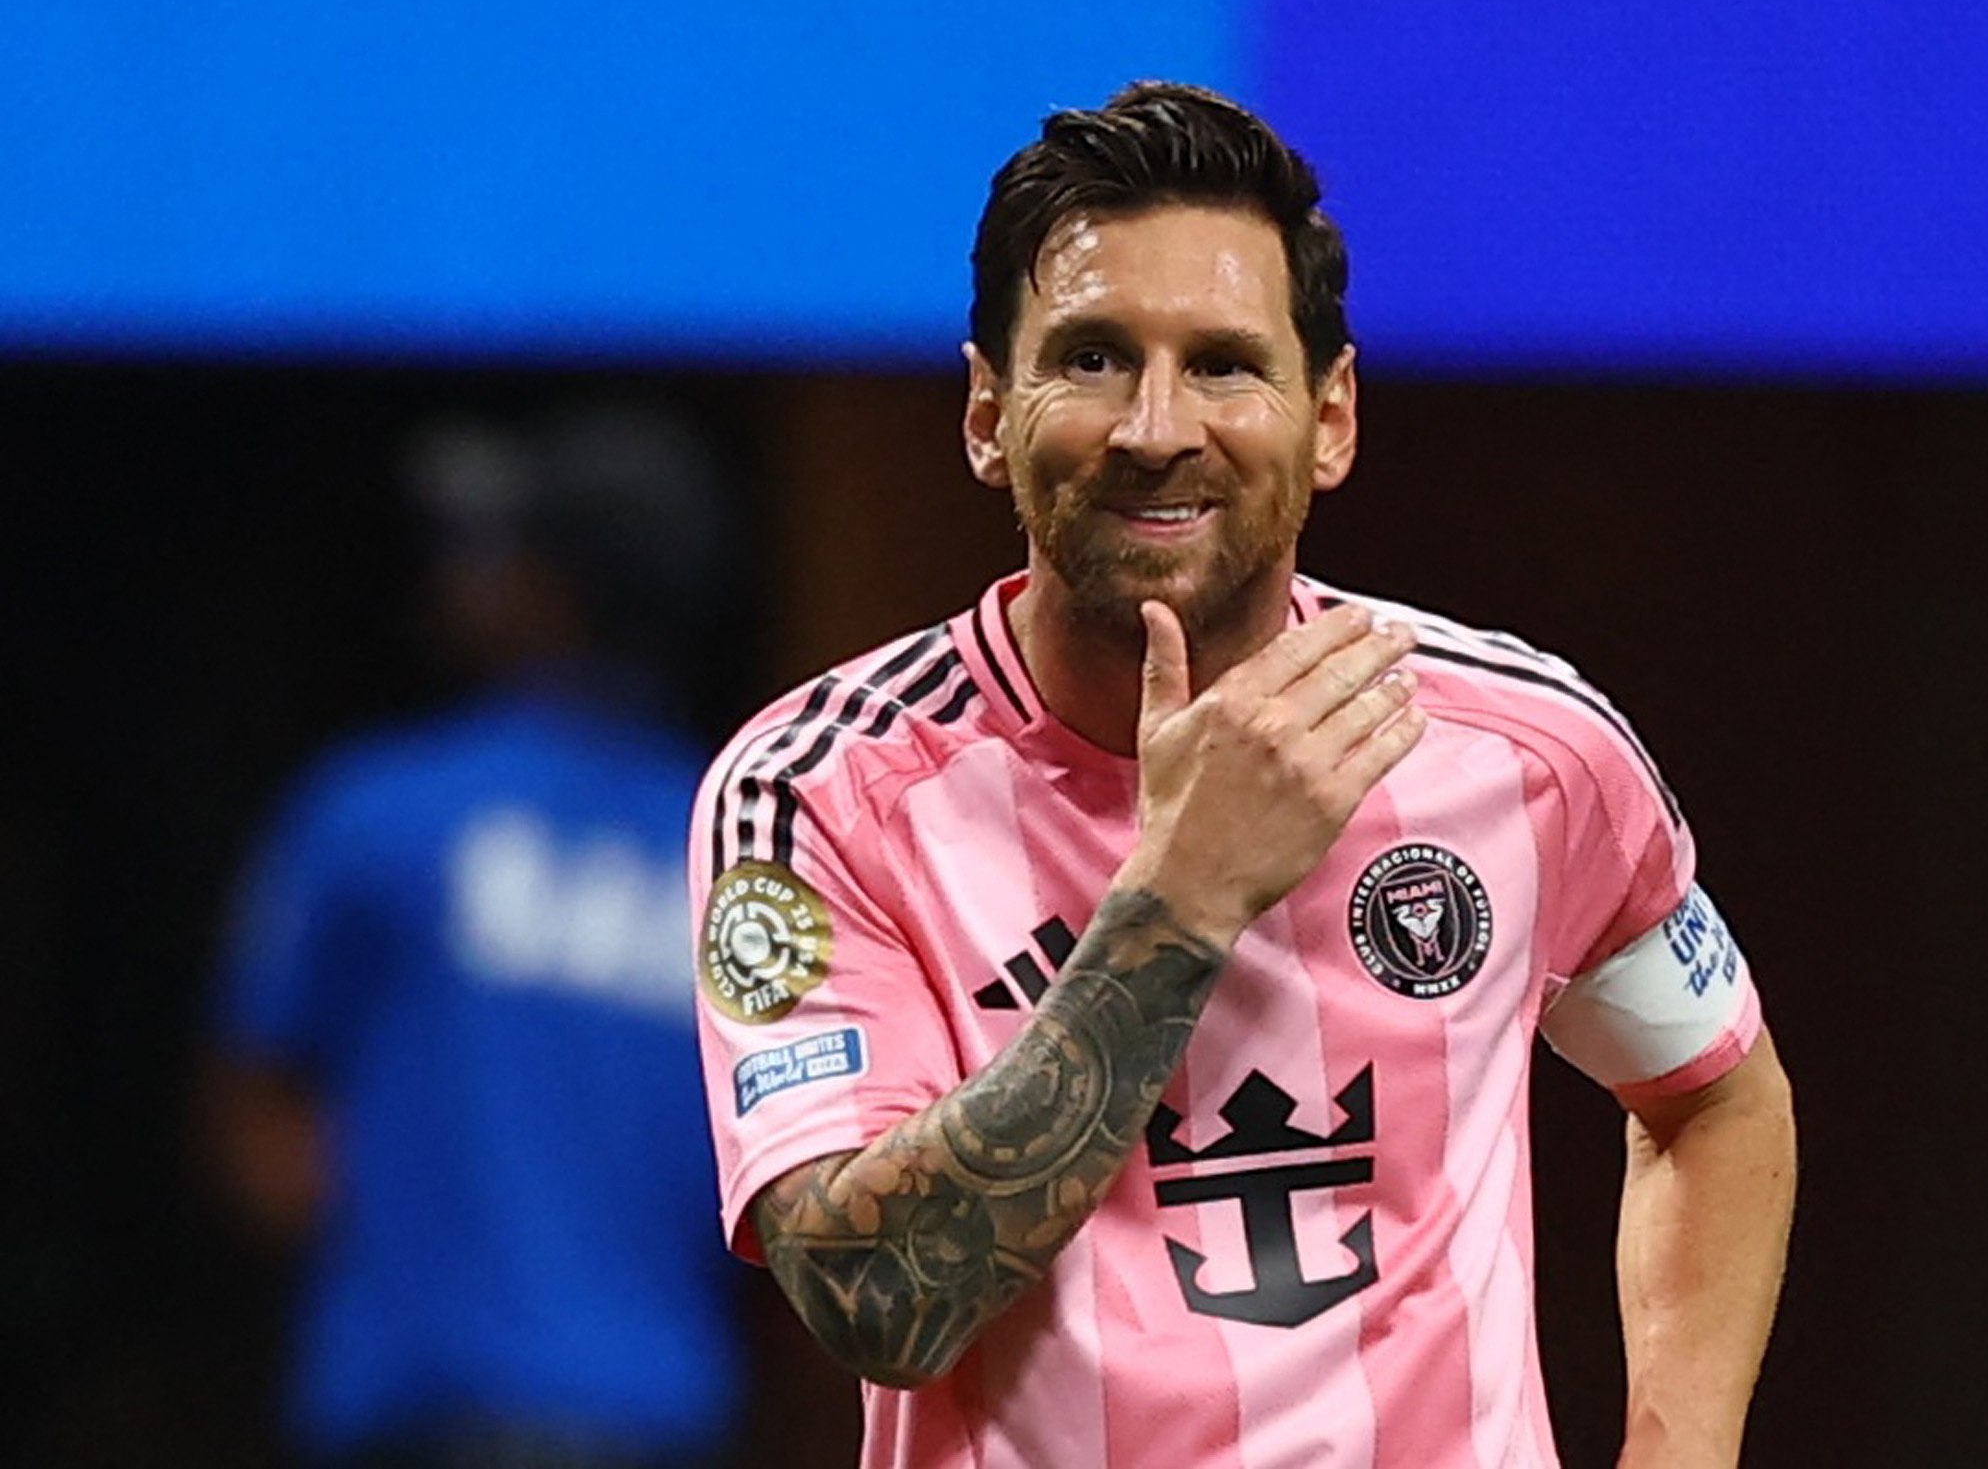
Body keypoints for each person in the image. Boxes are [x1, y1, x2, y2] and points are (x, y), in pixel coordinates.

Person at [690, 83, 1796, 1468]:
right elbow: (876, 1297)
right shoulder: (815, 794)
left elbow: (1715, 1097)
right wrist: (1180, 899)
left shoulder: (1523, 748)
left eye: (1223, 364)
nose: (1156, 426)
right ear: (985, 412)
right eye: (1093, 358)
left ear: (1329, 417)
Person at [210, 404, 759, 1468]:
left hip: (425, 1415)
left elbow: (257, 1131)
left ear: (548, 590)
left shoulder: (379, 812)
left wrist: (402, 1245)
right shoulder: (748, 859)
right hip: (666, 1417)